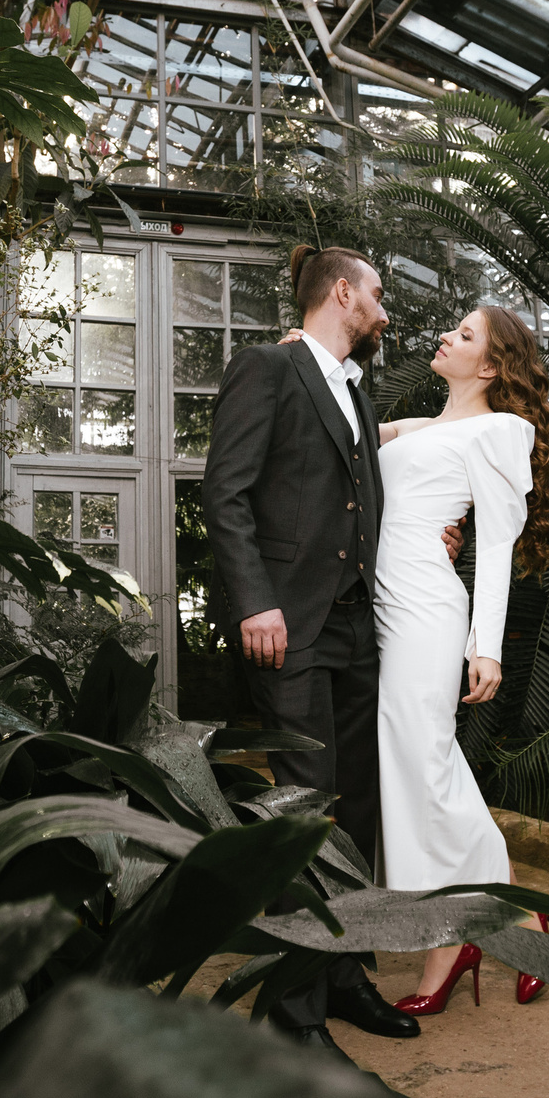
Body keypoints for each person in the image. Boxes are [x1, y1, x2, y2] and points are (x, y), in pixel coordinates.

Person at [200, 245, 437, 1056]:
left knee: (356, 809)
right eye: (377, 293)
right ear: (343, 293)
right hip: (289, 625)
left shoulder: (356, 395)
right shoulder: (267, 367)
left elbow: (354, 495)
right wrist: (255, 601)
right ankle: (295, 1013)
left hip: (356, 631)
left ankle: (342, 973)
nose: (385, 309)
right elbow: (223, 491)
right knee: (306, 810)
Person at [370, 304, 549, 1014]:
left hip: (426, 610)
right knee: (415, 773)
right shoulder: (426, 427)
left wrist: (487, 649)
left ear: (489, 366)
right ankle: (476, 929)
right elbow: (343, 425)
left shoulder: (500, 431)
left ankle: (501, 920)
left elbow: (500, 551)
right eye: (454, 326)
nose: (447, 334)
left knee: (428, 765)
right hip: (385, 610)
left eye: (466, 333)